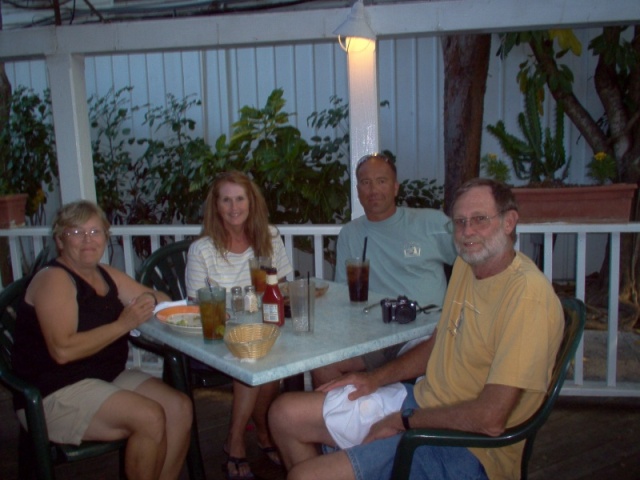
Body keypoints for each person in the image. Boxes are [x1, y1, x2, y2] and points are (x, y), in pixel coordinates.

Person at [269, 178, 564, 480]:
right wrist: (375, 379)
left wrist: (404, 421)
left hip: (469, 448)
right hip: (423, 402)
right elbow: (439, 342)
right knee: (284, 414)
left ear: (509, 222)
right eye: (460, 222)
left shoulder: (527, 298)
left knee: (304, 477)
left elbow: (490, 419)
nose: (468, 232)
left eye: (479, 220)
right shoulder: (468, 265)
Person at [12, 200, 192, 480]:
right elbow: (63, 350)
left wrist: (145, 300)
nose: (87, 240)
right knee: (150, 416)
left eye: (95, 232)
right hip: (54, 391)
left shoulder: (105, 274)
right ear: (60, 241)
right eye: (76, 233)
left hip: (104, 376)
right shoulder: (54, 280)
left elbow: (163, 302)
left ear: (106, 238)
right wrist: (125, 323)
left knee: (179, 408)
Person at [312, 153, 457, 386]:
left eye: (382, 181)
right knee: (321, 362)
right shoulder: (350, 234)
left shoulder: (431, 224)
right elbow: (341, 293)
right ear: (358, 190)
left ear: (396, 187)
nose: (373, 190)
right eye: (366, 182)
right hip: (373, 337)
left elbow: (472, 263)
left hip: (424, 336)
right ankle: (354, 417)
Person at [186, 171, 293, 480]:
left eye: (240, 199)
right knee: (252, 353)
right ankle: (238, 439)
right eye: (226, 200)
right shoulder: (202, 249)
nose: (234, 207)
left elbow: (279, 287)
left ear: (251, 202)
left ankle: (261, 431)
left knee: (265, 349)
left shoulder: (269, 236)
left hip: (263, 330)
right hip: (217, 336)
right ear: (216, 206)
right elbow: (198, 305)